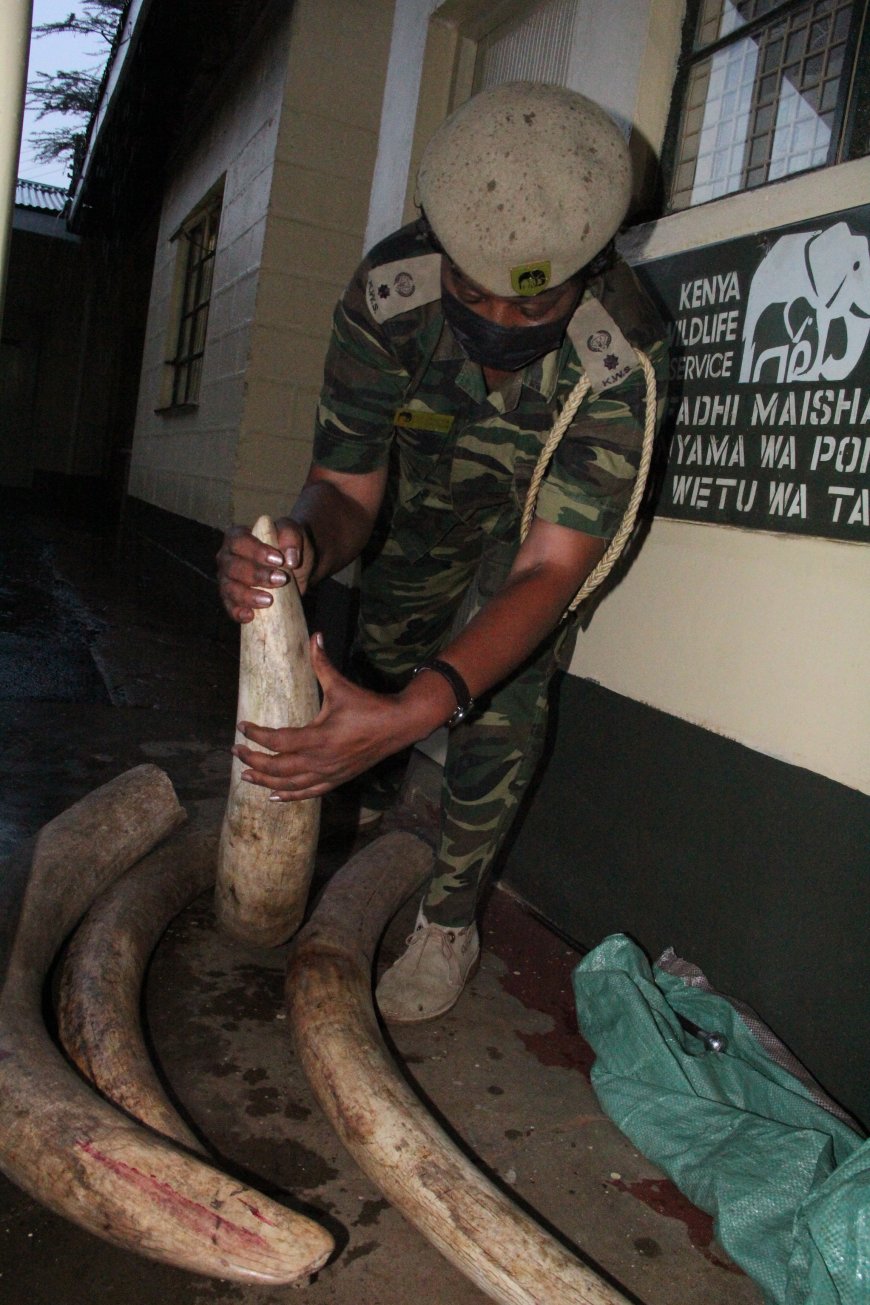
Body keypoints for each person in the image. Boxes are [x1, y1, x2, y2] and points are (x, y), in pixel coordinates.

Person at [217, 81, 668, 1024]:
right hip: (415, 513)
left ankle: (448, 915)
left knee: (497, 696)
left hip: (535, 536)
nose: (497, 326)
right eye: (471, 292)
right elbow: (343, 487)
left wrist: (430, 702)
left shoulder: (621, 355)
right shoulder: (389, 294)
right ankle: (410, 803)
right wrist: (299, 551)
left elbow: (550, 569)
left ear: (586, 269)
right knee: (384, 655)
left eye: (527, 305)